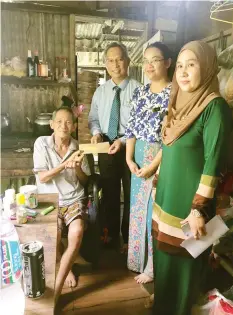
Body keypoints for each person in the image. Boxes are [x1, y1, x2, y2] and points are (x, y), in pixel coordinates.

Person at [151, 41, 233, 315]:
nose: (184, 72)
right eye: (181, 66)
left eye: (192, 65)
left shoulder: (214, 108)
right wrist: (157, 182)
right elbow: (169, 149)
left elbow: (213, 164)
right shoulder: (178, 105)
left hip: (190, 209)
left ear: (207, 68)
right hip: (166, 201)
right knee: (164, 265)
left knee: (185, 269)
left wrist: (199, 209)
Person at [33, 107, 91, 304]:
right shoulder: (41, 144)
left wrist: (76, 169)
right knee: (54, 236)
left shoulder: (78, 148)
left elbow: (84, 182)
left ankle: (56, 291)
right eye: (59, 122)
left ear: (73, 127)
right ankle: (66, 267)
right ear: (51, 125)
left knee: (77, 231)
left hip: (74, 198)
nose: (63, 126)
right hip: (50, 199)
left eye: (68, 122)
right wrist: (63, 166)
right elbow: (42, 176)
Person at [125, 42, 172, 284]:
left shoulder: (175, 93)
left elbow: (172, 137)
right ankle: (136, 260)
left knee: (154, 213)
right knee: (137, 211)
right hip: (138, 156)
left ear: (167, 63)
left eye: (155, 59)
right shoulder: (139, 92)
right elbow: (131, 127)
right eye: (146, 60)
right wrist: (128, 158)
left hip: (162, 158)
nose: (149, 64)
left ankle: (153, 267)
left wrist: (153, 166)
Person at [88, 42, 141, 251]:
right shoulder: (100, 92)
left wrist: (122, 141)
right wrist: (96, 133)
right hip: (107, 148)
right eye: (110, 60)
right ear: (105, 64)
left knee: (131, 194)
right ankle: (109, 235)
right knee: (109, 193)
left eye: (119, 59)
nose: (115, 64)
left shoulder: (138, 89)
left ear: (127, 61)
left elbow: (139, 123)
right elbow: (93, 118)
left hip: (131, 148)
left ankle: (129, 239)